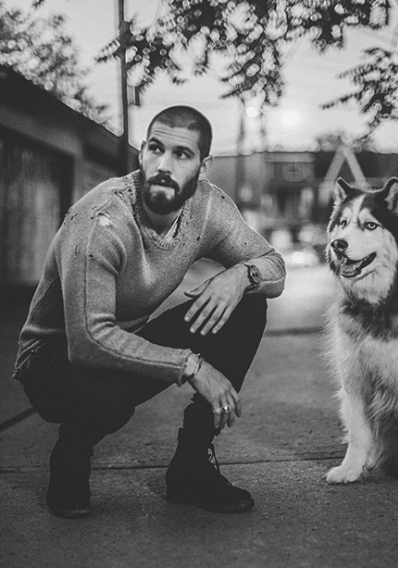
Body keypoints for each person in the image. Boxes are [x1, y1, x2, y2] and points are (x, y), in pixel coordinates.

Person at [13, 105, 286, 518]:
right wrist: (192, 366)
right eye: (155, 148)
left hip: (120, 346)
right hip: (52, 360)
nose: (164, 164)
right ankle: (71, 454)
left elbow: (274, 268)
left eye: (181, 154)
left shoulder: (208, 208)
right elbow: (89, 341)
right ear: (142, 151)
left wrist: (240, 276)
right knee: (109, 397)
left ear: (203, 165)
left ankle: (191, 467)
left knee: (248, 305)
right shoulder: (100, 220)